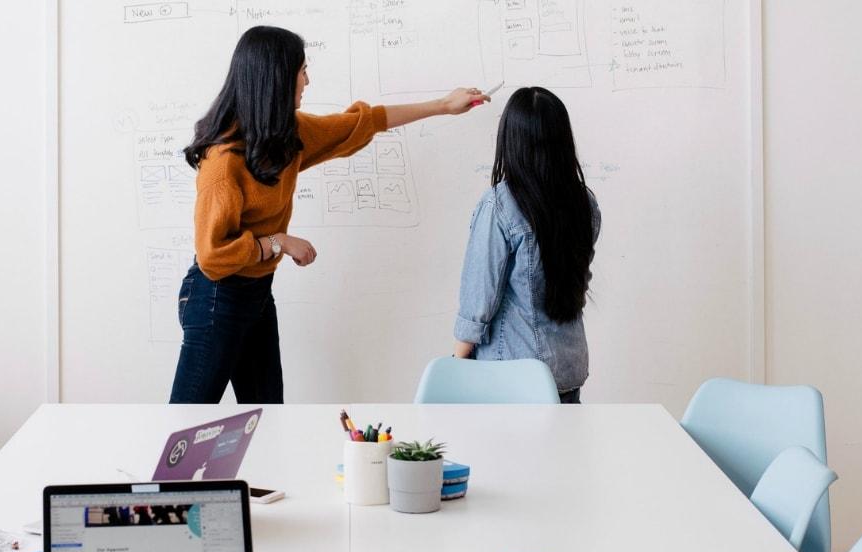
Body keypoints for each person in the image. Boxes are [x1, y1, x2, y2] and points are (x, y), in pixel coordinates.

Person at [170, 26, 490, 403]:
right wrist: (278, 243)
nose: (307, 80)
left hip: (256, 295)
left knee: (268, 418)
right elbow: (212, 257)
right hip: (214, 298)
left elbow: (363, 122)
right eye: (301, 70)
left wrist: (443, 105)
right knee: (188, 422)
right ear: (276, 78)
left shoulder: (285, 137)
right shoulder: (223, 164)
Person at [452, 87, 600, 404]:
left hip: (511, 375)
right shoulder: (583, 202)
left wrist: (456, 362)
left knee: (503, 456)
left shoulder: (500, 205)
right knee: (559, 454)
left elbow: (479, 298)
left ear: (511, 139)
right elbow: (577, 282)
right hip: (567, 370)